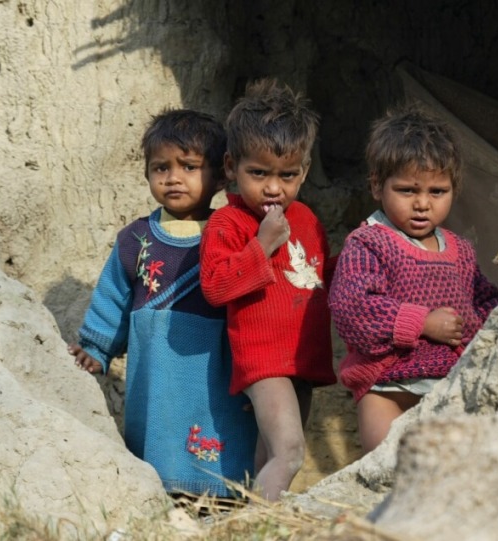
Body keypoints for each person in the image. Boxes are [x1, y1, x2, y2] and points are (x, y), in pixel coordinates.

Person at [67, 109, 257, 497]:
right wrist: (95, 349)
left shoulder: (235, 234)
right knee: (160, 446)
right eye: (160, 168)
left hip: (217, 369)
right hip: (158, 372)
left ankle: (225, 502)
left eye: (189, 166)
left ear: (221, 174)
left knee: (223, 440)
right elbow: (112, 298)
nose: (173, 177)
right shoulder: (135, 240)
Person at [328, 105, 498, 453]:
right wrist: (422, 322)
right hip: (387, 390)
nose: (423, 203)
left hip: (447, 388)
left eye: (437, 192)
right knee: (385, 474)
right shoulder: (368, 243)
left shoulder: (461, 251)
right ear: (377, 186)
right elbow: (353, 309)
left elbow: (486, 305)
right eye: (408, 190)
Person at [199, 79, 336, 502]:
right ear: (230, 167)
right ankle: (257, 528)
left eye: (287, 175)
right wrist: (263, 244)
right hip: (265, 360)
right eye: (258, 174)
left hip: (304, 358)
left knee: (268, 455)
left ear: (305, 172)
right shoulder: (229, 223)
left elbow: (317, 277)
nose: (274, 188)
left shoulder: (309, 219)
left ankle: (252, 514)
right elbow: (217, 286)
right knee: (291, 451)